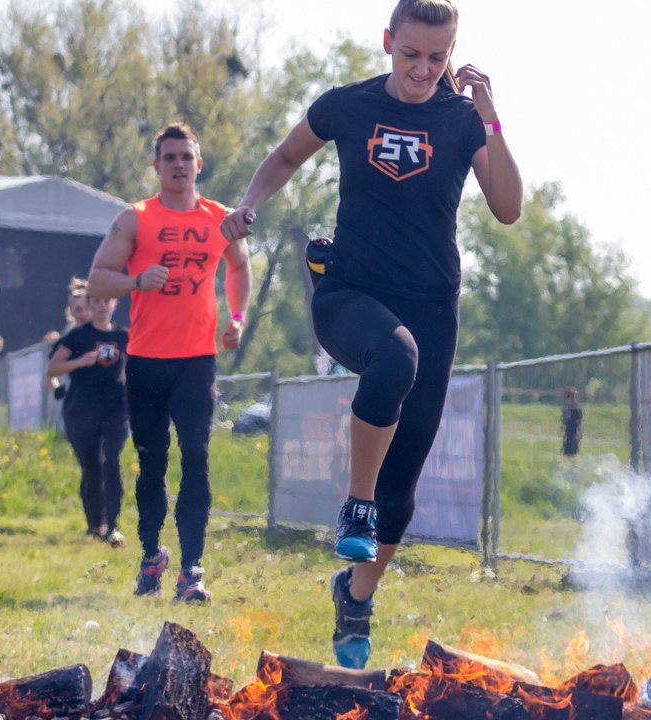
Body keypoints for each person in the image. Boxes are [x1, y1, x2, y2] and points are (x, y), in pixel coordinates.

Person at [220, 0, 521, 668]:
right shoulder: (348, 105)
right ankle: (354, 507)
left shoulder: (463, 118)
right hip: (349, 292)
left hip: (433, 305)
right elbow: (284, 156)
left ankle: (356, 595)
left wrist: (492, 111)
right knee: (392, 358)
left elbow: (507, 208)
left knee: (405, 486)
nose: (423, 70)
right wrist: (248, 204)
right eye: (411, 54)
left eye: (438, 58)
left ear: (454, 54)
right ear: (388, 42)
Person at [88, 122, 251, 603]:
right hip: (146, 360)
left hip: (197, 359)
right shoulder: (136, 218)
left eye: (187, 157)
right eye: (170, 157)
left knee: (197, 458)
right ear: (157, 166)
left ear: (199, 164)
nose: (179, 165)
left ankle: (192, 568)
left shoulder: (219, 217)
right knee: (153, 462)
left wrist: (237, 317)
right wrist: (137, 282)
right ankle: (151, 554)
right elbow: (98, 280)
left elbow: (239, 267)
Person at [46, 295, 129, 547]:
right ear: (90, 306)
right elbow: (52, 369)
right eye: (96, 302)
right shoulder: (77, 336)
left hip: (116, 408)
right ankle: (95, 525)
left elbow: (134, 365)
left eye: (107, 301)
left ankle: (112, 526)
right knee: (93, 466)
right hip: (83, 409)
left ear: (114, 304)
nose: (102, 305)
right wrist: (81, 361)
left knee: (112, 461)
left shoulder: (124, 336)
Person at [561, 387, 583, 457]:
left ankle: (572, 458)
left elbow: (580, 421)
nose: (572, 400)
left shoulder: (577, 409)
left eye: (574, 398)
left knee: (573, 448)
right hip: (568, 432)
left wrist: (579, 432)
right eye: (570, 398)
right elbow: (564, 420)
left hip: (574, 432)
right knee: (566, 448)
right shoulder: (566, 409)